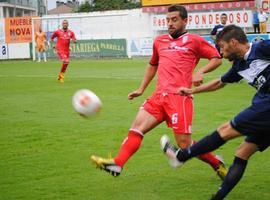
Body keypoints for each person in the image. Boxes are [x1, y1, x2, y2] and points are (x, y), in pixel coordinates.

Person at [91, 5, 227, 180]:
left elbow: (216, 58)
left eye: (174, 20)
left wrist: (200, 72)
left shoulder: (194, 40)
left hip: (180, 97)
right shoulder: (159, 41)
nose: (170, 23)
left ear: (185, 21)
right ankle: (118, 163)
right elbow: (153, 64)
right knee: (136, 128)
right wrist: (141, 89)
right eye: (168, 20)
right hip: (159, 96)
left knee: (184, 145)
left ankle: (216, 163)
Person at [161, 25, 270, 200]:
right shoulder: (239, 66)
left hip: (266, 106)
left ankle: (181, 156)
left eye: (221, 47)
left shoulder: (262, 47)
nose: (221, 52)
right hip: (264, 108)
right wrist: (191, 91)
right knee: (242, 152)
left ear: (233, 42)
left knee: (225, 129)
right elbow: (219, 83)